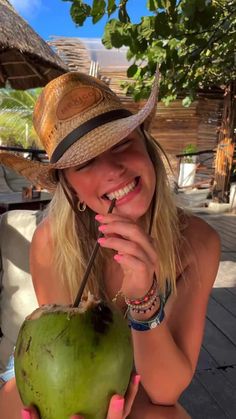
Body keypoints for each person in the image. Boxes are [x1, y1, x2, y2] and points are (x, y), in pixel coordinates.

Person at [0, 70, 220, 419]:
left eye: (121, 143)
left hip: (140, 377)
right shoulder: (51, 243)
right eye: (85, 162)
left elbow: (165, 390)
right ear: (70, 188)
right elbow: (64, 366)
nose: (113, 170)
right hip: (52, 369)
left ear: (146, 147)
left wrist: (143, 297)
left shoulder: (198, 244)